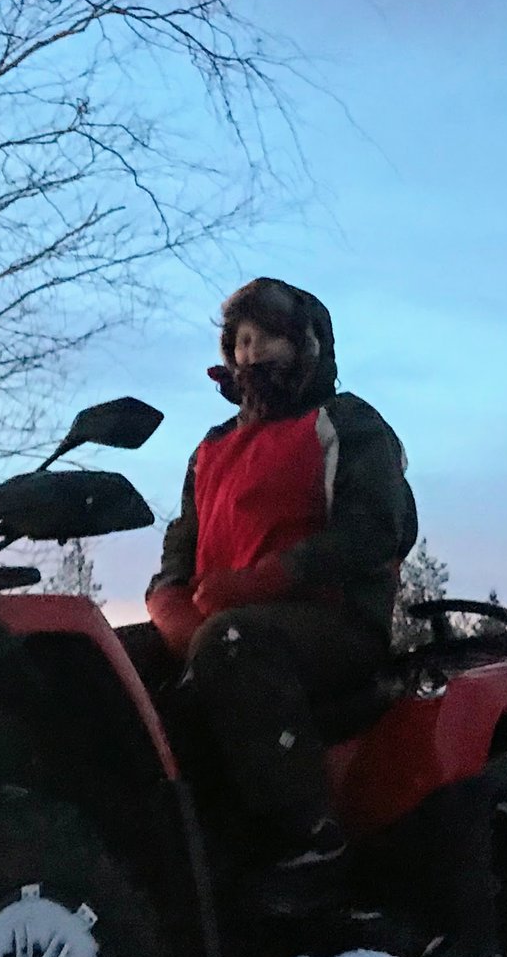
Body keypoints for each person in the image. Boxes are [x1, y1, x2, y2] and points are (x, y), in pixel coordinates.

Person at [144, 279, 417, 904]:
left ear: (308, 345)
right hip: (224, 627)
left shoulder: (346, 424)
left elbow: (377, 528)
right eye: (240, 340)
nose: (251, 353)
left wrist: (273, 577)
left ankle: (310, 840)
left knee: (235, 642)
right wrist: (168, 607)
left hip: (332, 623)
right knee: (125, 669)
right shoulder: (211, 448)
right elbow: (180, 548)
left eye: (267, 337)